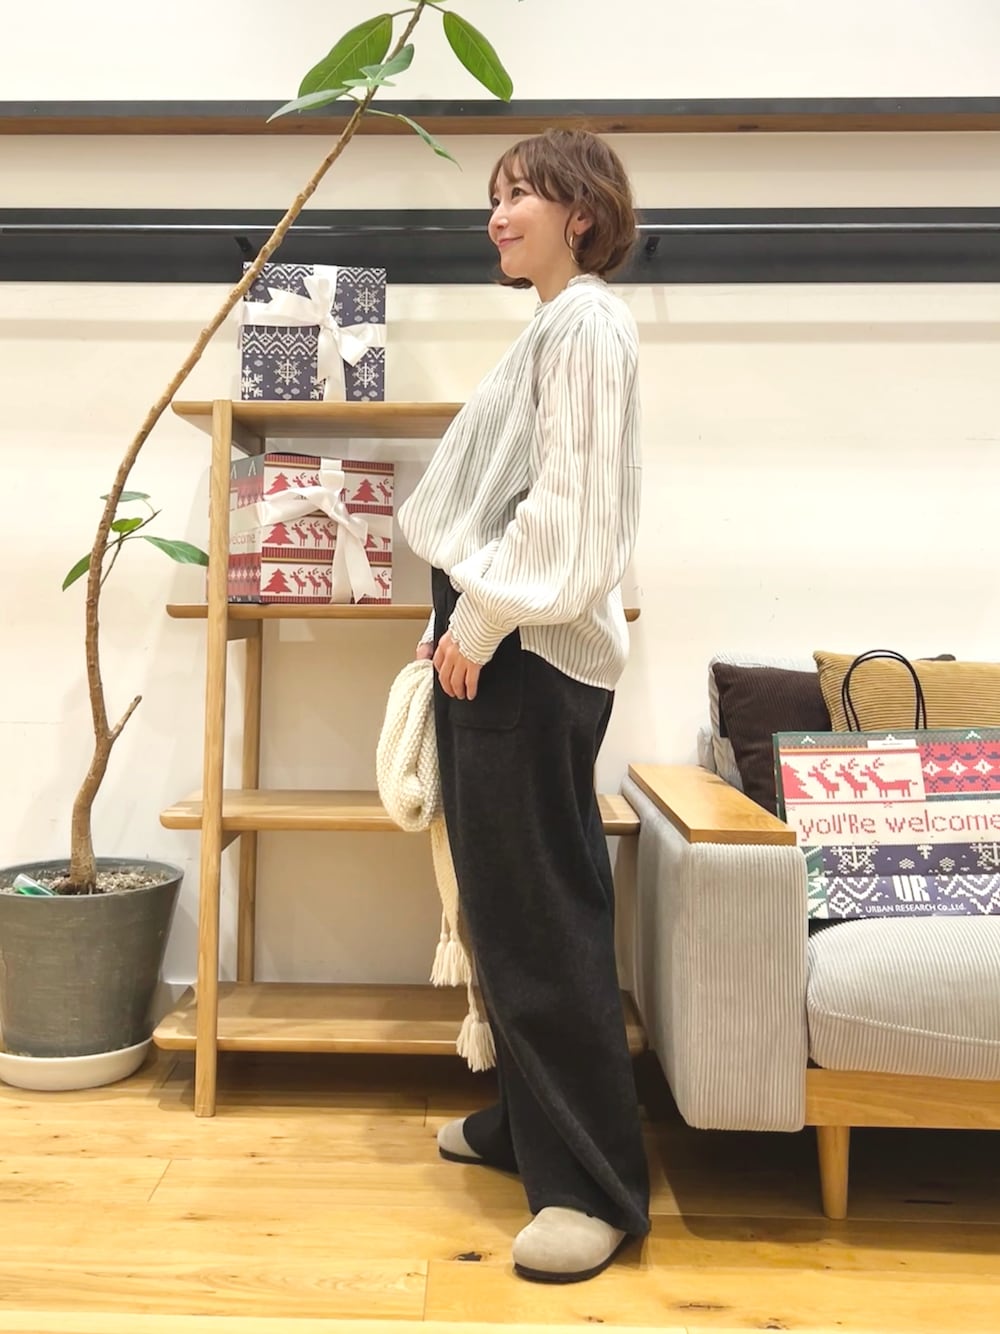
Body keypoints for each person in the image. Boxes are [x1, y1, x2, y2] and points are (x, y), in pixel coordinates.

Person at [397, 128, 649, 1284]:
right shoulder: (557, 324)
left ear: (580, 213)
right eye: (494, 196)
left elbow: (568, 511)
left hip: (530, 652)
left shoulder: (585, 323)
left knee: (541, 915)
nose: (497, 214)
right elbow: (514, 504)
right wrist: (457, 617)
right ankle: (529, 1124)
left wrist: (483, 617)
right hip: (505, 644)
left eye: (522, 195)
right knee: (505, 908)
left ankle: (591, 1184)